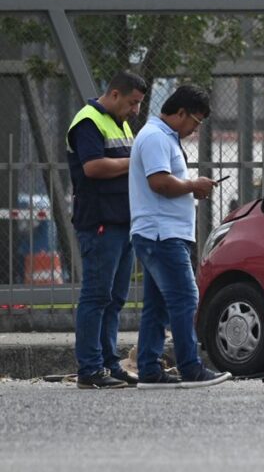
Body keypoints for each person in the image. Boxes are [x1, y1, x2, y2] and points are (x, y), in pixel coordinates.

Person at [129, 84, 231, 388]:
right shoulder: (156, 137)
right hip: (162, 235)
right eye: (195, 122)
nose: (194, 129)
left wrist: (191, 187)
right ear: (181, 113)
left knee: (158, 305)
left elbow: (165, 183)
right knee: (186, 297)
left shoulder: (162, 137)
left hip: (160, 233)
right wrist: (192, 185)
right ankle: (190, 368)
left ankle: (148, 369)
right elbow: (159, 182)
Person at [67, 71, 148, 389]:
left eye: (138, 104)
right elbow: (93, 167)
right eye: (133, 103)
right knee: (96, 296)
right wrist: (134, 161)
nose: (135, 111)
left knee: (114, 298)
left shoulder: (120, 122)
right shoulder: (88, 120)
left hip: (121, 222)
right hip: (100, 222)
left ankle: (108, 363)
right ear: (115, 94)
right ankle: (89, 369)